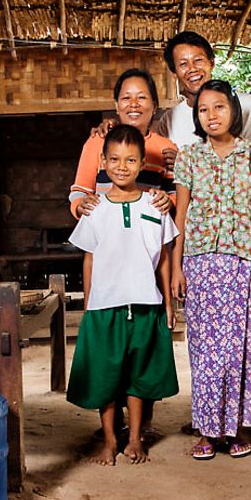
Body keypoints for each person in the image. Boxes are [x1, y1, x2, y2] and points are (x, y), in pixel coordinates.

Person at [160, 31, 251, 439]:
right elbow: (180, 200)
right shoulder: (174, 117)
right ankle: (210, 418)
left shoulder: (246, 116)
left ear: (210, 62)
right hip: (199, 251)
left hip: (240, 250)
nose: (190, 67)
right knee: (205, 342)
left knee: (246, 339)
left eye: (197, 59)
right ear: (174, 73)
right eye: (182, 63)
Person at [66, 125, 180, 465]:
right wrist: (88, 305)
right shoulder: (95, 207)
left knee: (138, 375)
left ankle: (134, 440)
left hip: (146, 302)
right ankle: (110, 441)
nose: (122, 166)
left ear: (143, 163)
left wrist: (168, 303)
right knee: (106, 375)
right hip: (105, 305)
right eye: (114, 159)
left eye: (131, 160)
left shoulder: (155, 204)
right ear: (103, 161)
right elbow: (89, 257)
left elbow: (162, 258)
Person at [172, 80, 251, 460]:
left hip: (242, 264)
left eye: (218, 107)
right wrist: (177, 268)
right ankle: (207, 432)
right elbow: (179, 217)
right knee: (203, 351)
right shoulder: (189, 158)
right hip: (199, 265)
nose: (211, 116)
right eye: (203, 110)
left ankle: (233, 432)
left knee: (237, 351)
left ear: (234, 111)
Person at [69, 68, 178, 219]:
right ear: (117, 106)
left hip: (148, 236)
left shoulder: (166, 148)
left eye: (141, 97)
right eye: (126, 98)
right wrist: (80, 205)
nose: (134, 104)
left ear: (154, 106)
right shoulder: (98, 141)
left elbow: (175, 192)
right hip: (106, 234)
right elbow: (79, 191)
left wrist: (170, 202)